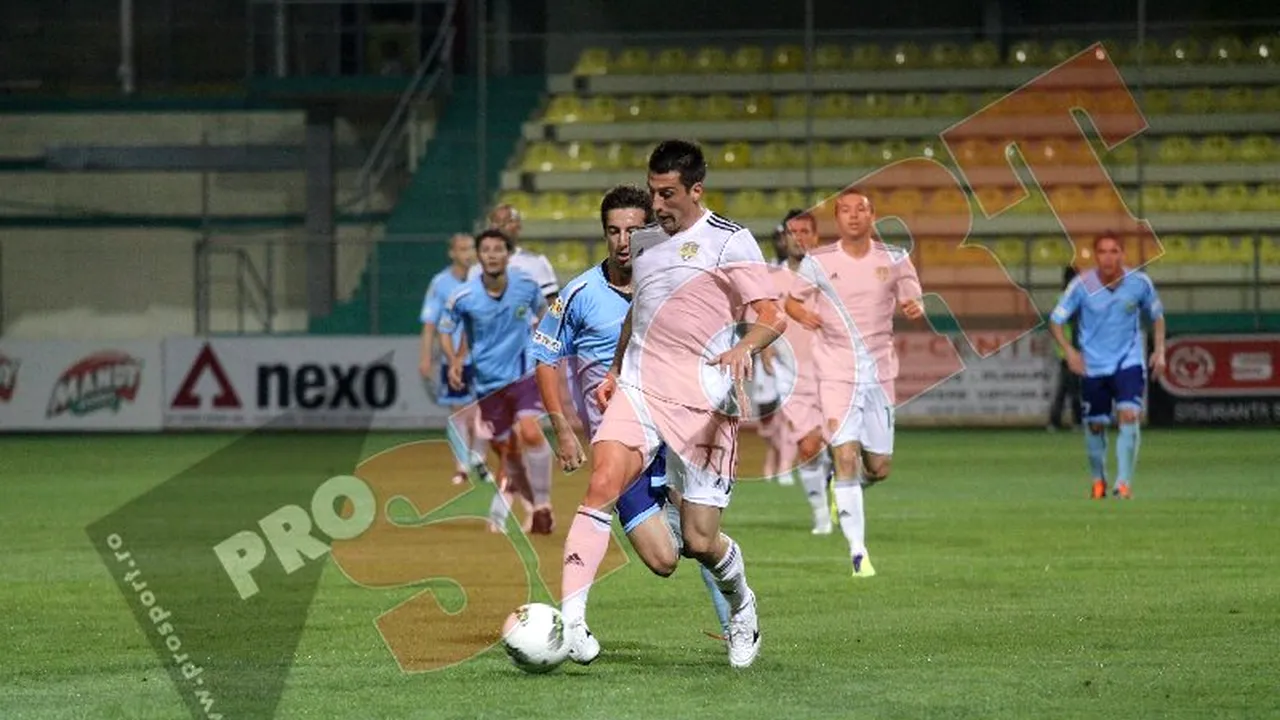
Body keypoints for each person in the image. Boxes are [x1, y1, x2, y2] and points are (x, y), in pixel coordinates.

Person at [557, 140, 786, 669]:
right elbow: (637, 312)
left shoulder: (731, 242)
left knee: (701, 541)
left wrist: (743, 348)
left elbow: (773, 313)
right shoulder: (645, 242)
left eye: (667, 194)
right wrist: (615, 370)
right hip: (639, 387)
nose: (656, 204)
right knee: (602, 483)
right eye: (653, 190)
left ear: (695, 190)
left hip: (704, 403)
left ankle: (742, 606)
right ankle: (572, 624)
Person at [530, 183, 732, 641]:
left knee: (702, 540)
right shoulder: (579, 292)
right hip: (623, 447)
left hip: (677, 431)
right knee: (663, 560)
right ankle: (577, 621)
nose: (624, 242)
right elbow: (545, 357)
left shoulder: (672, 284)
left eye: (633, 231)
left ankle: (735, 626)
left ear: (652, 231)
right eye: (613, 231)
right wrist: (562, 429)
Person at [785, 187, 925, 578]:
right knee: (844, 456)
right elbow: (791, 300)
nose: (852, 216)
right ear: (837, 218)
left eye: (860, 210)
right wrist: (802, 314)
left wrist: (915, 304)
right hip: (835, 374)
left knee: (878, 467)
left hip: (879, 376)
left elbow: (912, 293)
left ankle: (848, 488)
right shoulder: (818, 260)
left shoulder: (895, 259)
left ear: (872, 215)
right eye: (844, 210)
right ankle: (858, 553)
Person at [439, 229, 556, 534]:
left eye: (498, 249)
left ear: (508, 254)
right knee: (509, 453)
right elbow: (448, 328)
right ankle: (528, 508)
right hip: (488, 384)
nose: (492, 254)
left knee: (530, 432)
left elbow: (545, 317)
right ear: (479, 256)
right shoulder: (463, 297)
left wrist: (547, 351)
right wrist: (454, 359)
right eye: (486, 250)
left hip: (524, 374)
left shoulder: (527, 286)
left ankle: (542, 507)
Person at [1049, 232, 1165, 500]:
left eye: (1114, 251)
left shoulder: (1139, 283)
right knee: (1096, 425)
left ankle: (1123, 484)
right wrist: (1070, 353)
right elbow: (1055, 321)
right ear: (1095, 255)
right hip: (1094, 364)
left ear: (1123, 255)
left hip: (1129, 360)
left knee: (1129, 414)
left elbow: (1157, 316)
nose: (1108, 257)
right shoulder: (1081, 285)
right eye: (1102, 252)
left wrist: (1159, 351)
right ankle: (1098, 479)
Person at [766, 209, 834, 534]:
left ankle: (837, 477)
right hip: (790, 373)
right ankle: (821, 512)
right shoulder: (770, 278)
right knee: (807, 446)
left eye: (805, 231)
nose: (799, 238)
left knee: (842, 445)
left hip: (832, 370)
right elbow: (760, 316)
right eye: (793, 232)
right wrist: (763, 348)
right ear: (784, 238)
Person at [418, 233, 494, 485]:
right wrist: (426, 357)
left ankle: (479, 459)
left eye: (470, 248)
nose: (467, 253)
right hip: (453, 358)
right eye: (462, 249)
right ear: (452, 253)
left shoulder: (485, 279)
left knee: (487, 409)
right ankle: (462, 465)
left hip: (483, 354)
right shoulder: (440, 283)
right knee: (458, 411)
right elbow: (430, 324)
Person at [474, 204, 561, 305]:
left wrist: (555, 318)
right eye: (496, 221)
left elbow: (553, 304)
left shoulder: (536, 264)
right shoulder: (476, 268)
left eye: (508, 221)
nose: (500, 226)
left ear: (518, 226)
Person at [1047, 265, 1083, 432]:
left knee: (1066, 386)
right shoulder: (1067, 298)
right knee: (1072, 387)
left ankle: (1055, 421)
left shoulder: (1062, 297)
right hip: (1069, 349)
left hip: (1067, 349)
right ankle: (1075, 420)